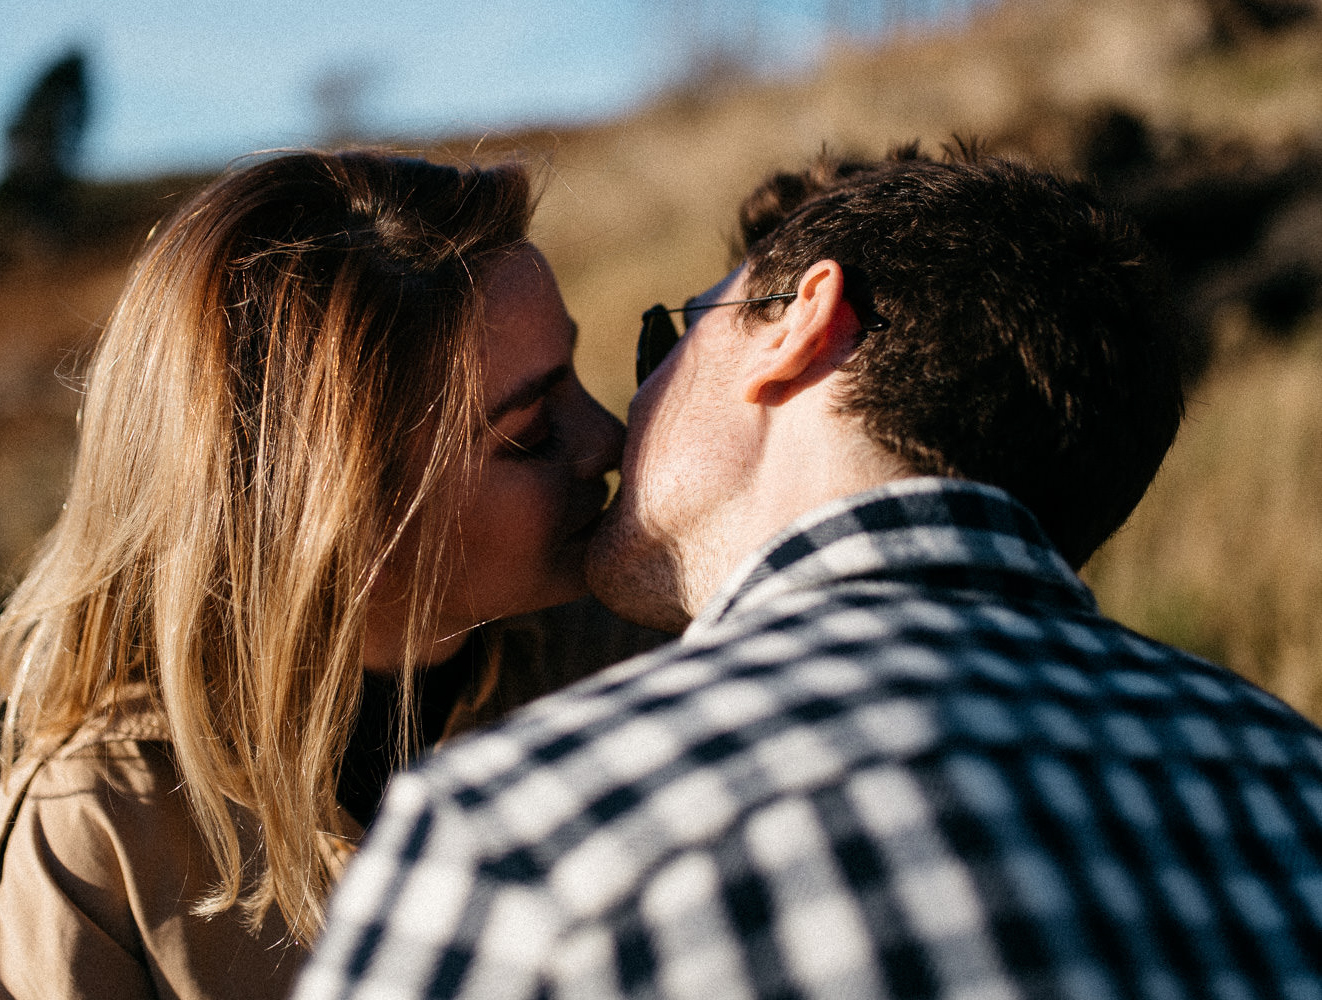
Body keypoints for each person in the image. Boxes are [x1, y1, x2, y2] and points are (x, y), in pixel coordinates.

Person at [295, 143, 1322, 1000]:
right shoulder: (1288, 776)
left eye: (669, 338)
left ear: (799, 327)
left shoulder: (524, 838)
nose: (616, 431)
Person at [0, 150, 665, 1000]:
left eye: (574, 372)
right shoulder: (105, 824)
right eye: (529, 429)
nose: (607, 438)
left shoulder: (640, 660)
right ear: (336, 519)